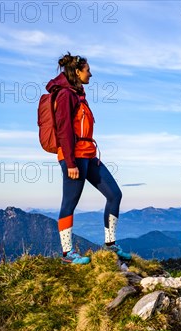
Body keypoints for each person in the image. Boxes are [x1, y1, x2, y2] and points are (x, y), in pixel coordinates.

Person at [46, 52, 131, 264]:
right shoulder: (66, 95)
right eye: (88, 70)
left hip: (88, 154)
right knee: (69, 203)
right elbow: (64, 130)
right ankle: (67, 254)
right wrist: (71, 163)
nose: (91, 74)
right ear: (77, 72)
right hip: (73, 156)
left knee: (114, 194)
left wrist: (91, 156)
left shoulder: (78, 95)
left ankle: (110, 245)